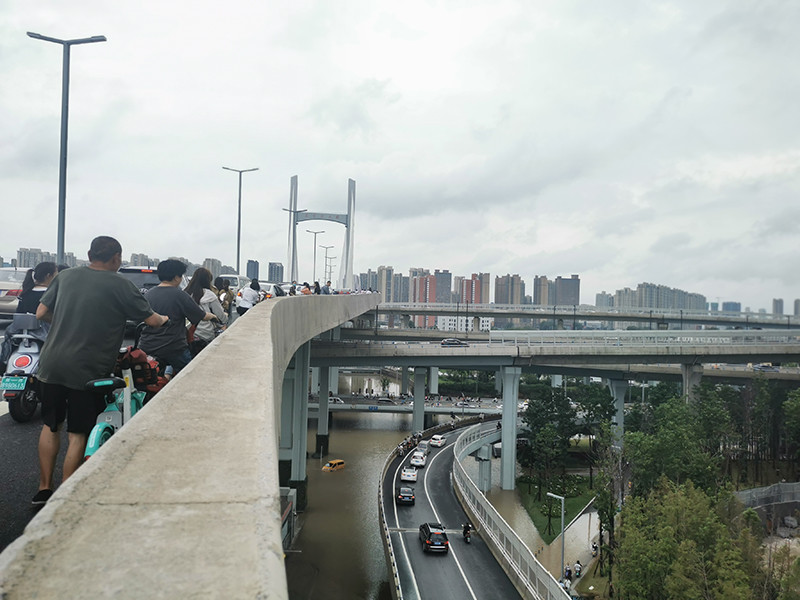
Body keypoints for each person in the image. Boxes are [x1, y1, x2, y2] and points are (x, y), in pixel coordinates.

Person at [32, 236, 168, 505]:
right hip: (89, 370)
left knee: (51, 425)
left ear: (89, 254)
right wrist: (165, 319)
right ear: (117, 258)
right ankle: (66, 495)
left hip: (52, 364)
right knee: (78, 433)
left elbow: (40, 313)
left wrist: (66, 323)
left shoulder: (66, 276)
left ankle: (43, 489)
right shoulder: (121, 285)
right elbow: (152, 320)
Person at [139, 259, 216, 374]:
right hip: (173, 348)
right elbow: (201, 316)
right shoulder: (179, 295)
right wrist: (213, 316)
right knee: (190, 374)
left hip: (147, 346)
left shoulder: (148, 294)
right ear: (176, 277)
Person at [185, 268, 227, 356]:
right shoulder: (209, 295)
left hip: (185, 334)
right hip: (204, 335)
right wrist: (225, 316)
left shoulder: (185, 293)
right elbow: (221, 317)